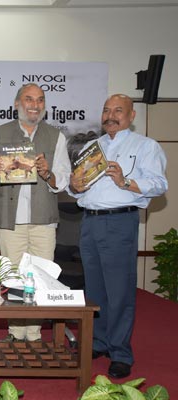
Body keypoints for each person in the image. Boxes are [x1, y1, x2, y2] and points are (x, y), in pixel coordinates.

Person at [69, 94, 168, 379]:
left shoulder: (145, 146)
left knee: (119, 291)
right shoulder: (91, 147)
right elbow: (77, 190)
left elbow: (159, 184)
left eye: (118, 111)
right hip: (89, 222)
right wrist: (74, 185)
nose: (110, 116)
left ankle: (121, 352)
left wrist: (125, 181)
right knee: (95, 290)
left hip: (120, 221)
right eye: (106, 110)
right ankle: (98, 342)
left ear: (131, 116)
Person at [0, 83, 71, 343]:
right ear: (17, 104)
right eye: (29, 99)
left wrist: (47, 173)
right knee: (13, 278)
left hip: (44, 220)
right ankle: (16, 332)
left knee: (41, 276)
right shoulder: (0, 133)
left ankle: (34, 333)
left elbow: (63, 181)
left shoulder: (56, 136)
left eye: (40, 100)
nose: (35, 105)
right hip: (11, 220)